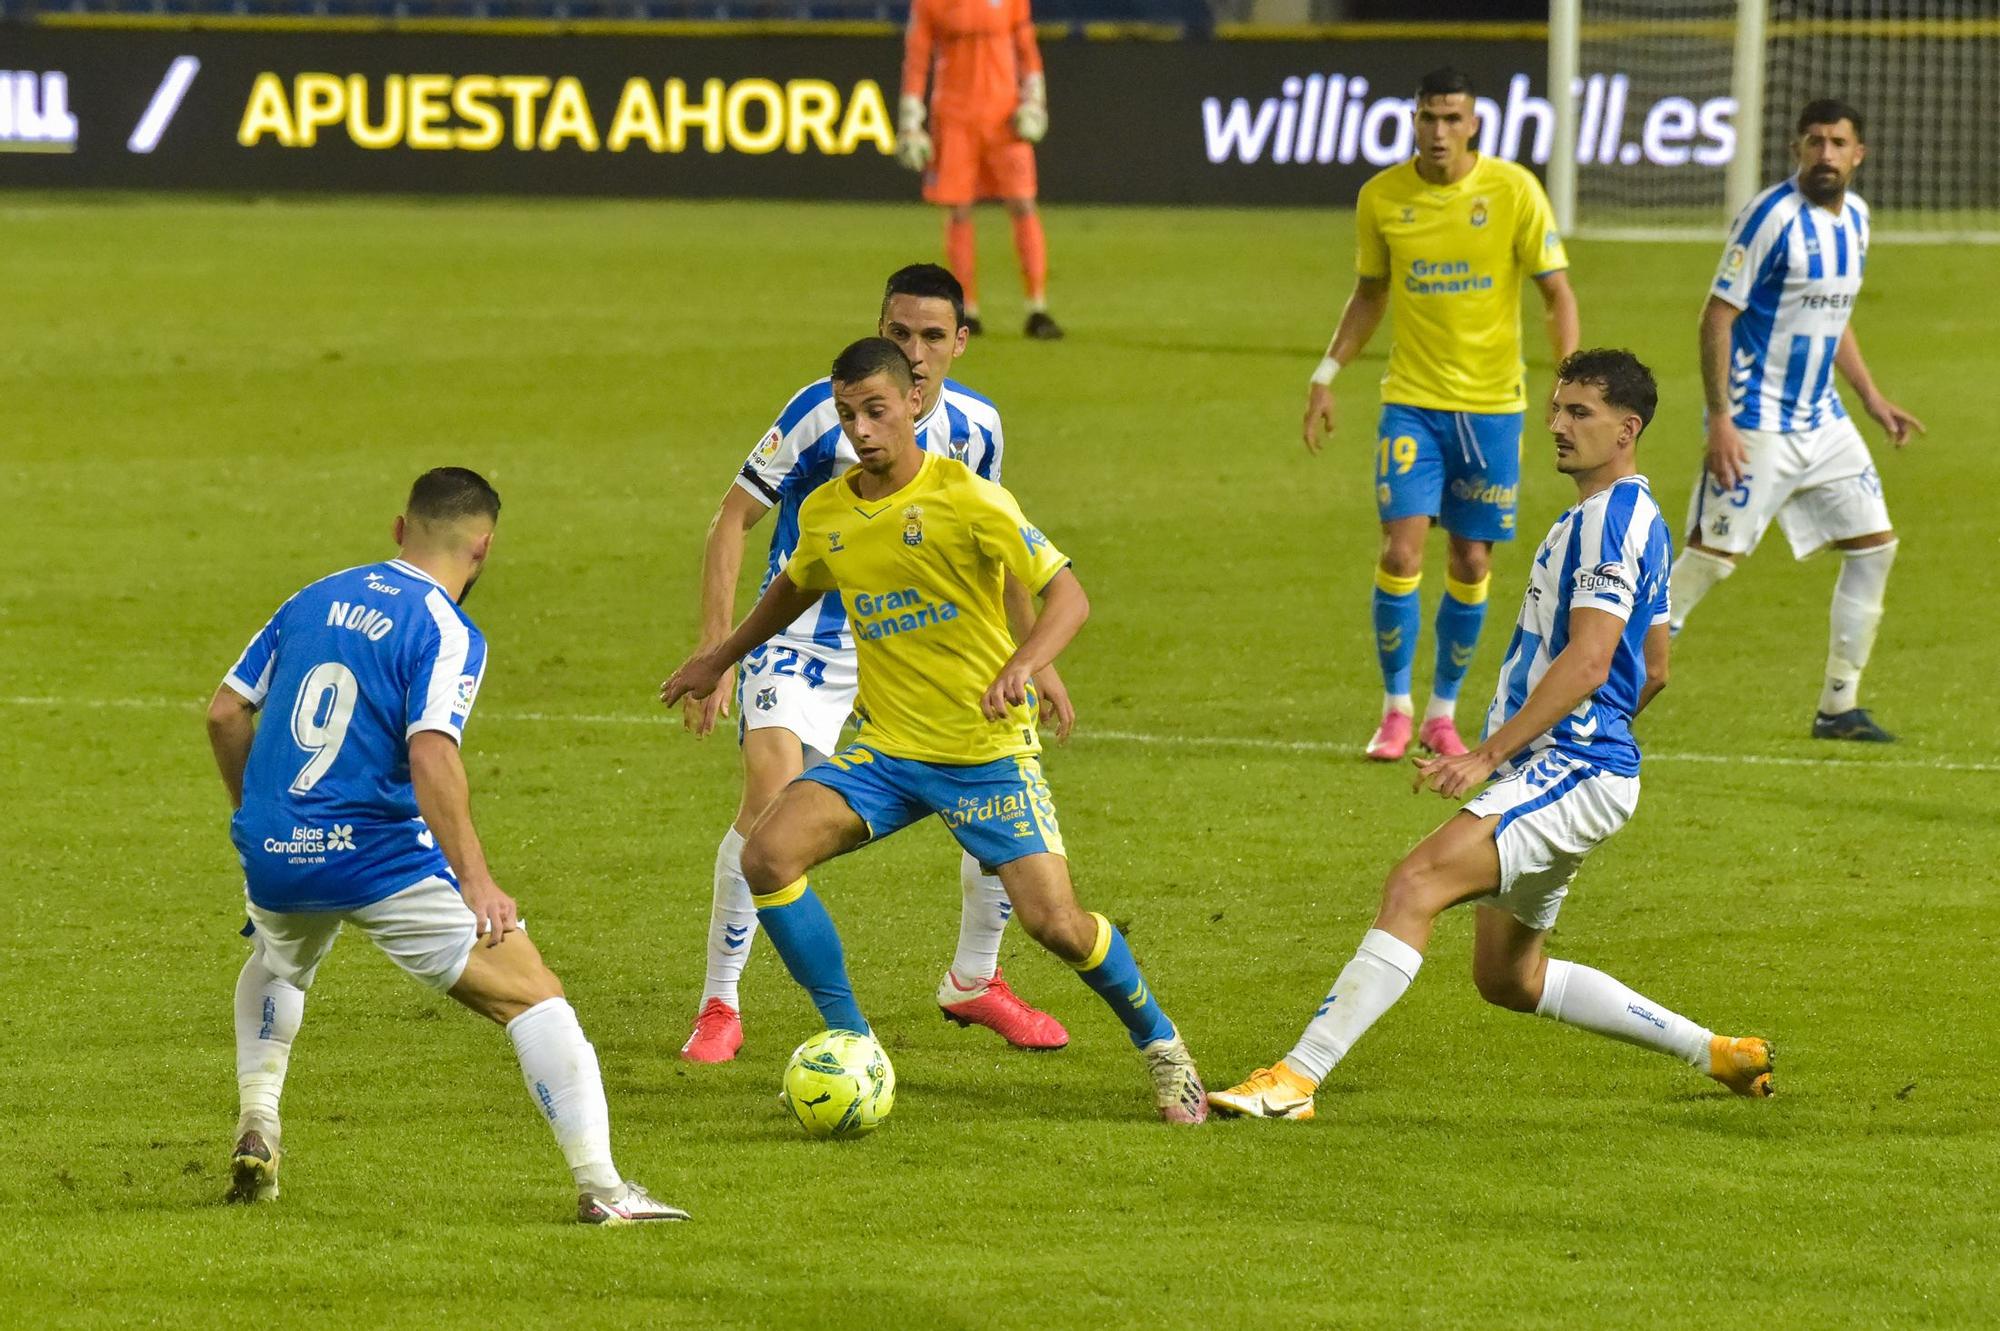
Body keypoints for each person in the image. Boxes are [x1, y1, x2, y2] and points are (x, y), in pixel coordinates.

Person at [1211, 351, 1773, 1121]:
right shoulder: (1635, 516)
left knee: (1414, 883)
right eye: (1556, 408)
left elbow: (1592, 657)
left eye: (1580, 413)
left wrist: (1494, 754)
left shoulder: (1610, 520)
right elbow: (1656, 668)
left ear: (1627, 429)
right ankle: (1714, 1051)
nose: (1557, 425)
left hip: (1569, 768)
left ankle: (1295, 1079)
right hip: (1578, 769)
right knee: (1508, 979)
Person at [663, 338, 1207, 1124]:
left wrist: (1025, 665)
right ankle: (854, 1038)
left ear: (914, 402)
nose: (863, 429)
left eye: (876, 410)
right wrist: (719, 658)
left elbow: (1069, 599)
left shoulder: (971, 498)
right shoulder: (829, 511)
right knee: (768, 853)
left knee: (1056, 922)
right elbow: (791, 587)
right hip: (887, 752)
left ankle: (1162, 1046)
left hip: (984, 756)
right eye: (849, 415)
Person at [206, 467, 686, 1224]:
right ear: (484, 548)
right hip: (377, 854)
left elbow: (225, 711)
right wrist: (478, 880)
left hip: (273, 847)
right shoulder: (446, 627)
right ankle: (605, 1188)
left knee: (277, 958)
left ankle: (259, 1119)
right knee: (536, 998)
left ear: (401, 528)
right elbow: (432, 752)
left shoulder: (314, 596)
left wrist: (256, 819)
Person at [676, 264, 1071, 1064]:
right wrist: (719, 651)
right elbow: (732, 518)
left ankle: (975, 979)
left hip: (917, 645)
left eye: (932, 336)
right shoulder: (823, 411)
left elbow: (991, 545)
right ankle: (721, 1000)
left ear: (960, 341)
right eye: (900, 334)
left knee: (996, 793)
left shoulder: (980, 428)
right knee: (769, 796)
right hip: (800, 639)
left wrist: (1031, 659)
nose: (915, 353)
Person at [1302, 67, 1579, 762]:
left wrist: (1571, 378)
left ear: (1475, 123)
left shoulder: (1513, 191)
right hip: (1412, 404)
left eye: (1453, 119)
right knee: (1400, 549)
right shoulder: (1382, 197)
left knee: (1471, 555)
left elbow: (1557, 294)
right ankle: (1395, 710)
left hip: (1493, 409)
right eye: (1429, 118)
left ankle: (1442, 712)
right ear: (1414, 120)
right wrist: (1326, 373)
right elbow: (1369, 293)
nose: (1439, 132)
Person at [1667, 98, 1924, 742]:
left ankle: (1838, 707)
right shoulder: (1769, 218)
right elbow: (1716, 316)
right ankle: (1594, 689)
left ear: (1858, 154)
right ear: (1796, 150)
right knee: (1707, 564)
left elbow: (1832, 320)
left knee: (1875, 549)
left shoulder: (1859, 220)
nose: (1827, 155)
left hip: (1824, 422)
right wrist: (1721, 418)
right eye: (1815, 142)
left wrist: (1871, 398)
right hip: (1755, 421)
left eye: (1839, 143)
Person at [896, 0, 1062, 339]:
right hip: (954, 117)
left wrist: (1034, 100)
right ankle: (967, 309)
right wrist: (911, 121)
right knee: (958, 210)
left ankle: (1037, 308)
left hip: (1004, 116)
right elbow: (917, 56)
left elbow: (1026, 46)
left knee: (1023, 203)